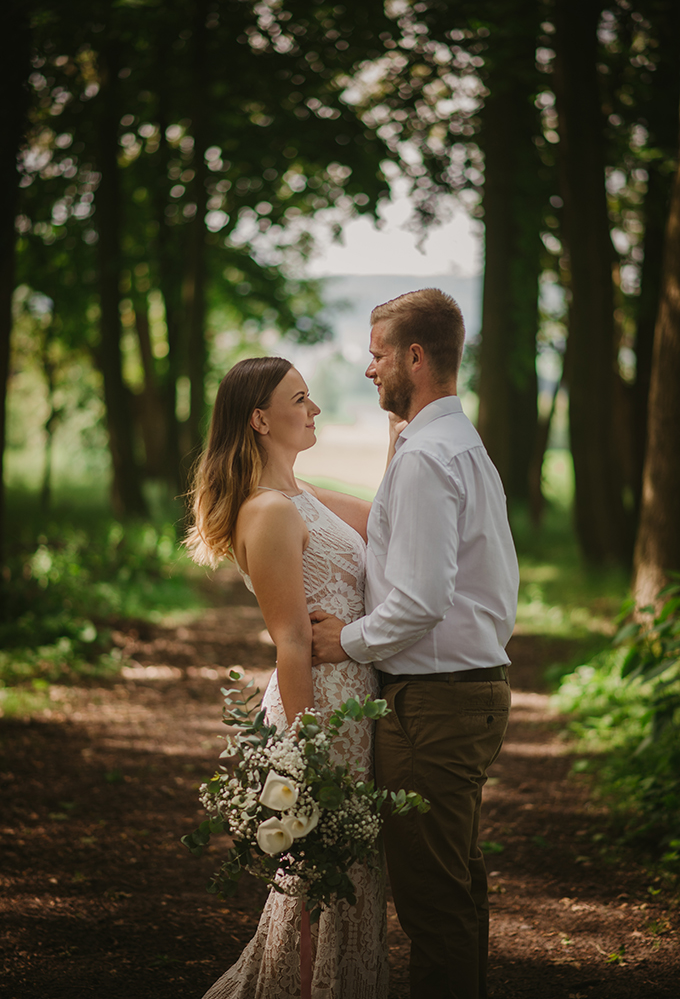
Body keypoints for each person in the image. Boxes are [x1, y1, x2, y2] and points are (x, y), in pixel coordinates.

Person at [311, 288, 519, 999]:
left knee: (433, 907)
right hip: (457, 698)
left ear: (415, 356)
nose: (370, 370)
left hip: (434, 707)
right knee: (454, 895)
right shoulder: (455, 444)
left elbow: (422, 599)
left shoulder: (431, 456)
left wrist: (347, 640)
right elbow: (409, 550)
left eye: (377, 355)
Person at [184, 356, 388, 999]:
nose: (315, 409)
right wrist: (305, 764)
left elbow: (389, 514)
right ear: (259, 419)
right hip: (322, 710)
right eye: (301, 399)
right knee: (322, 884)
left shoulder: (305, 495)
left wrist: (397, 420)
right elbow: (292, 642)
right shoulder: (267, 512)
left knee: (355, 886)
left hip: (357, 697)